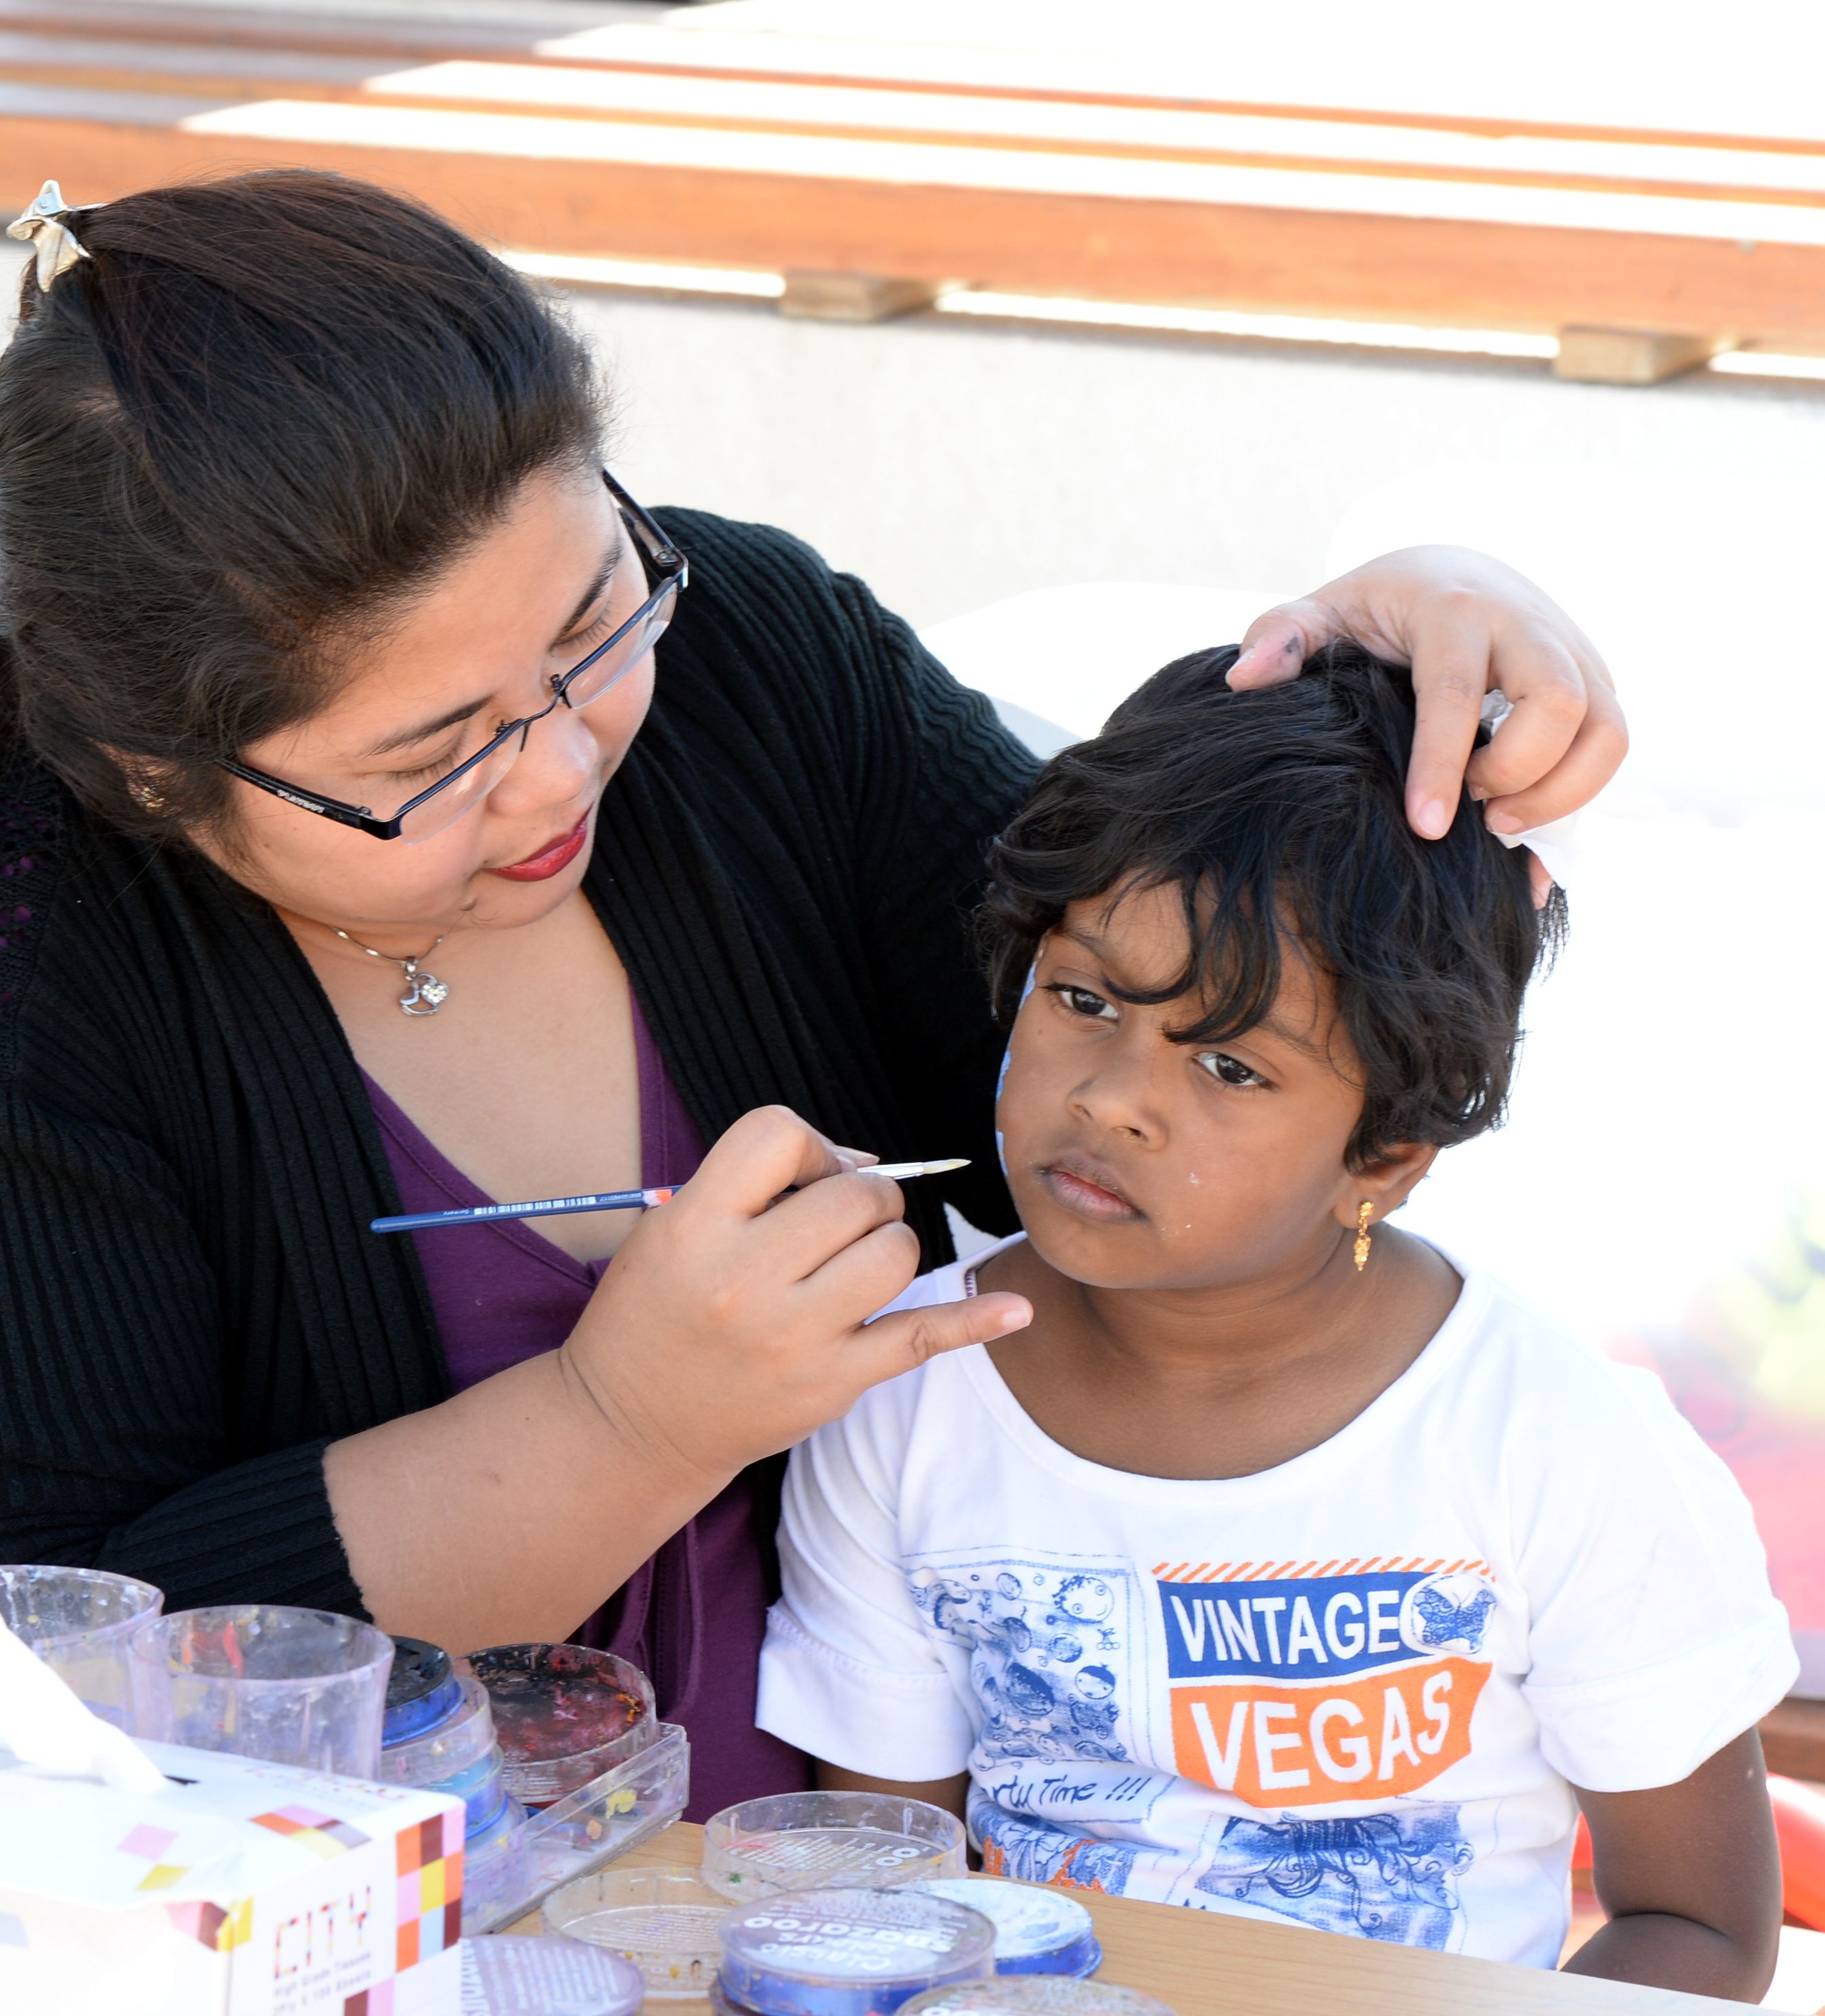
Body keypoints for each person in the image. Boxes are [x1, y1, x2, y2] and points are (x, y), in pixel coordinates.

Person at [0, 169, 1628, 1821]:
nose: (557, 769)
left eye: (586, 620)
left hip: (914, 1910)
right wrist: (625, 1419)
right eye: (434, 751)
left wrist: (1384, 655)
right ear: (150, 769)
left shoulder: (748, 671)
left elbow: (1139, 975)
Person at [755, 644, 1792, 1995]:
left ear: (1385, 1154)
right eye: (1084, 1000)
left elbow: (1702, 1932)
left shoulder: (1560, 1446)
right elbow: (885, 1886)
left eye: (1231, 1062)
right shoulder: (900, 1386)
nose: (1113, 1097)